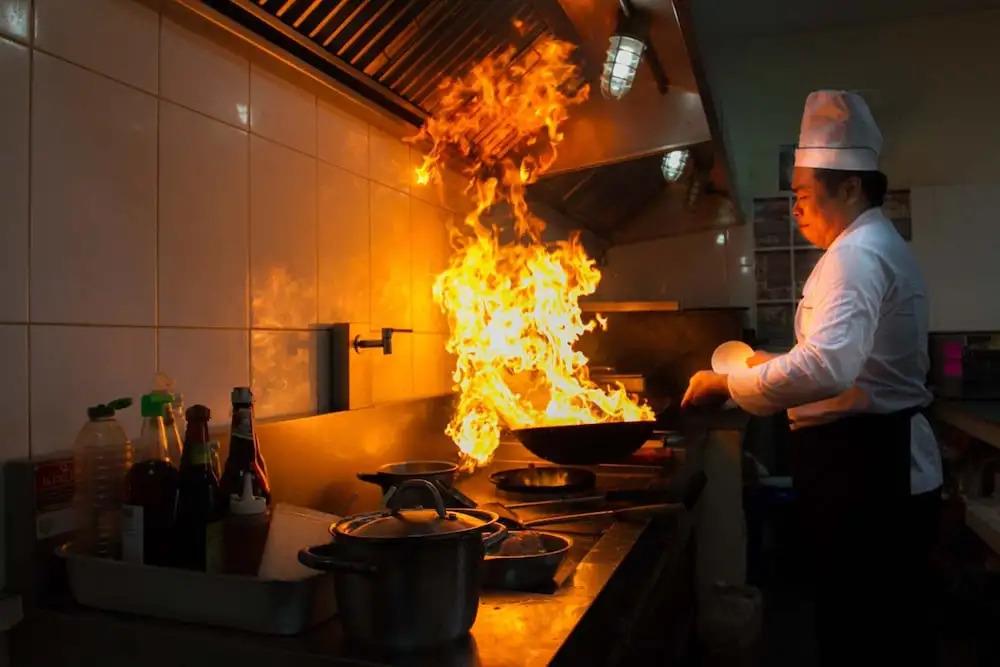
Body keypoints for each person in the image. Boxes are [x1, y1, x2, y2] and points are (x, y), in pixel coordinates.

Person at [681, 90, 942, 666]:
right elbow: (844, 356)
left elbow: (829, 366)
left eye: (801, 194)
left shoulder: (856, 255)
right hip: (872, 464)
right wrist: (766, 364)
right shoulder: (868, 245)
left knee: (862, 635)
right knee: (879, 628)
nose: (793, 208)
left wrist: (729, 384)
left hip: (867, 471)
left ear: (848, 188)